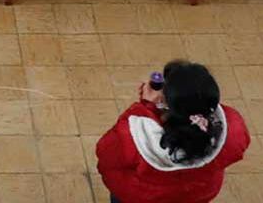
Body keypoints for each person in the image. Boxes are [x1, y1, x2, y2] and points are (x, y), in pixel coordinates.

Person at [95, 59, 250, 203]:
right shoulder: (230, 127)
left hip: (140, 197)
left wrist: (145, 108)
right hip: (195, 195)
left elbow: (106, 155)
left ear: (165, 102)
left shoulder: (132, 135)